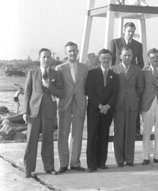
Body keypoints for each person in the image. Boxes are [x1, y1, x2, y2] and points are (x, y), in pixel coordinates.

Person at [23, 48, 64, 178]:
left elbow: (61, 93)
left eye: (48, 57)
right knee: (31, 140)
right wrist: (25, 111)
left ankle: (49, 167)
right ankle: (28, 169)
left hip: (49, 112)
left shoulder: (56, 74)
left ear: (51, 59)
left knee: (48, 140)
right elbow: (27, 93)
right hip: (34, 112)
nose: (46, 59)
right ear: (39, 58)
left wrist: (49, 86)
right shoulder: (32, 73)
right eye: (44, 57)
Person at [56, 41, 88, 173]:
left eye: (74, 50)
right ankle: (63, 164)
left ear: (78, 51)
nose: (72, 53)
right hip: (64, 103)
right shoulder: (60, 68)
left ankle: (75, 163)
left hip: (79, 103)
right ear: (66, 53)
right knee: (63, 134)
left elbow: (85, 86)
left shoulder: (84, 68)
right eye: (69, 51)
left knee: (78, 133)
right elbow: (57, 87)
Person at [85, 49, 119, 172]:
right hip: (94, 109)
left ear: (111, 59)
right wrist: (100, 105)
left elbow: (115, 93)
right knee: (93, 136)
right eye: (103, 58)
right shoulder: (92, 73)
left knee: (104, 135)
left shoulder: (114, 76)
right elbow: (89, 91)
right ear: (99, 58)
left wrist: (107, 106)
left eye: (108, 58)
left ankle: (101, 162)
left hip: (108, 111)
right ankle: (91, 164)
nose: (106, 60)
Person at [112, 48, 144, 166]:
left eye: (129, 55)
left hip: (132, 104)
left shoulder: (137, 70)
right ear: (120, 56)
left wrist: (133, 95)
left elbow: (140, 87)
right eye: (125, 55)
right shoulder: (114, 69)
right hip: (118, 104)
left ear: (132, 56)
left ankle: (129, 159)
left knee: (130, 132)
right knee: (119, 132)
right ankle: (119, 160)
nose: (127, 57)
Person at [141, 48, 158, 165]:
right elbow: (140, 89)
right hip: (147, 104)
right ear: (148, 59)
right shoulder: (143, 72)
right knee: (147, 131)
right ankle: (145, 157)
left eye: (157, 57)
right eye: (152, 57)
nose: (155, 59)